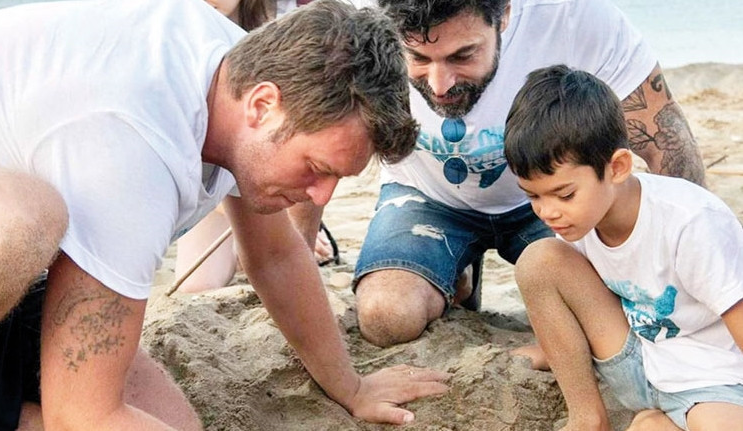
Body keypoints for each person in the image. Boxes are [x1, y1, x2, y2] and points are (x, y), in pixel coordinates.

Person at [0, 0, 451, 429]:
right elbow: (82, 417)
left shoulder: (239, 71)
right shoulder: (133, 150)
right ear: (263, 105)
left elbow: (276, 256)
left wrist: (352, 387)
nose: (320, 196)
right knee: (21, 223)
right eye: (317, 169)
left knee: (174, 423)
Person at [346, 0, 707, 349]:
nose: (440, 85)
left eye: (463, 55)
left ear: (503, 14)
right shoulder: (363, 19)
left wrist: (688, 260)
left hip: (548, 199)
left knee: (604, 319)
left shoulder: (571, 13)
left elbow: (665, 137)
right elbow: (317, 132)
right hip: (424, 194)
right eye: (418, 58)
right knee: (386, 319)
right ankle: (457, 269)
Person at [504, 64, 743, 431]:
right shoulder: (580, 217)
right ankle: (588, 419)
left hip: (710, 379)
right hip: (637, 362)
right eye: (533, 196)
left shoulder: (690, 220)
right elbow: (577, 296)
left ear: (617, 167)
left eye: (564, 194)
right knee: (538, 260)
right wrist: (554, 350)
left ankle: (658, 421)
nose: (548, 212)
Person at [175, 0, 338, 295]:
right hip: (209, 177)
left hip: (269, 171)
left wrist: (284, 234)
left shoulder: (295, 18)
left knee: (280, 259)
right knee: (196, 285)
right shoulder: (177, 25)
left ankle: (292, 238)